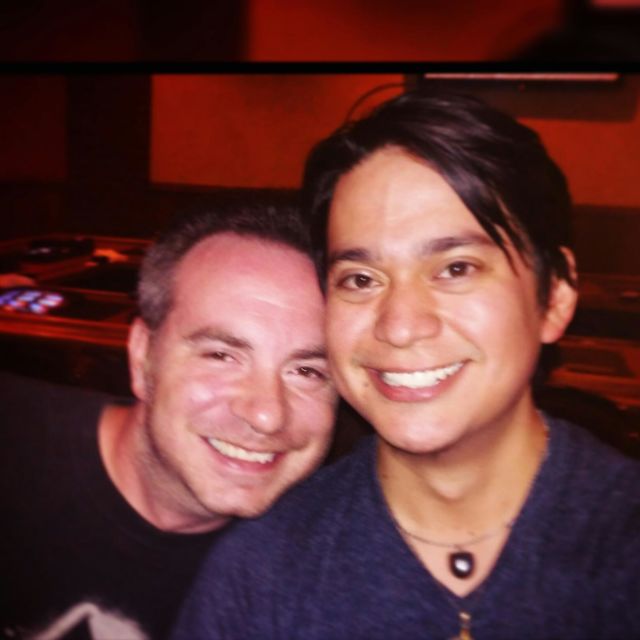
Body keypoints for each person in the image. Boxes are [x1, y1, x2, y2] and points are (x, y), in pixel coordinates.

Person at [172, 92, 640, 640]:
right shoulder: (261, 574)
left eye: (456, 268)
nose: (399, 325)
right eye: (360, 279)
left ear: (555, 295)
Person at [0, 199, 337, 640]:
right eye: (221, 355)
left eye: (307, 371)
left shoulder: (321, 566)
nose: (267, 414)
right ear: (143, 358)